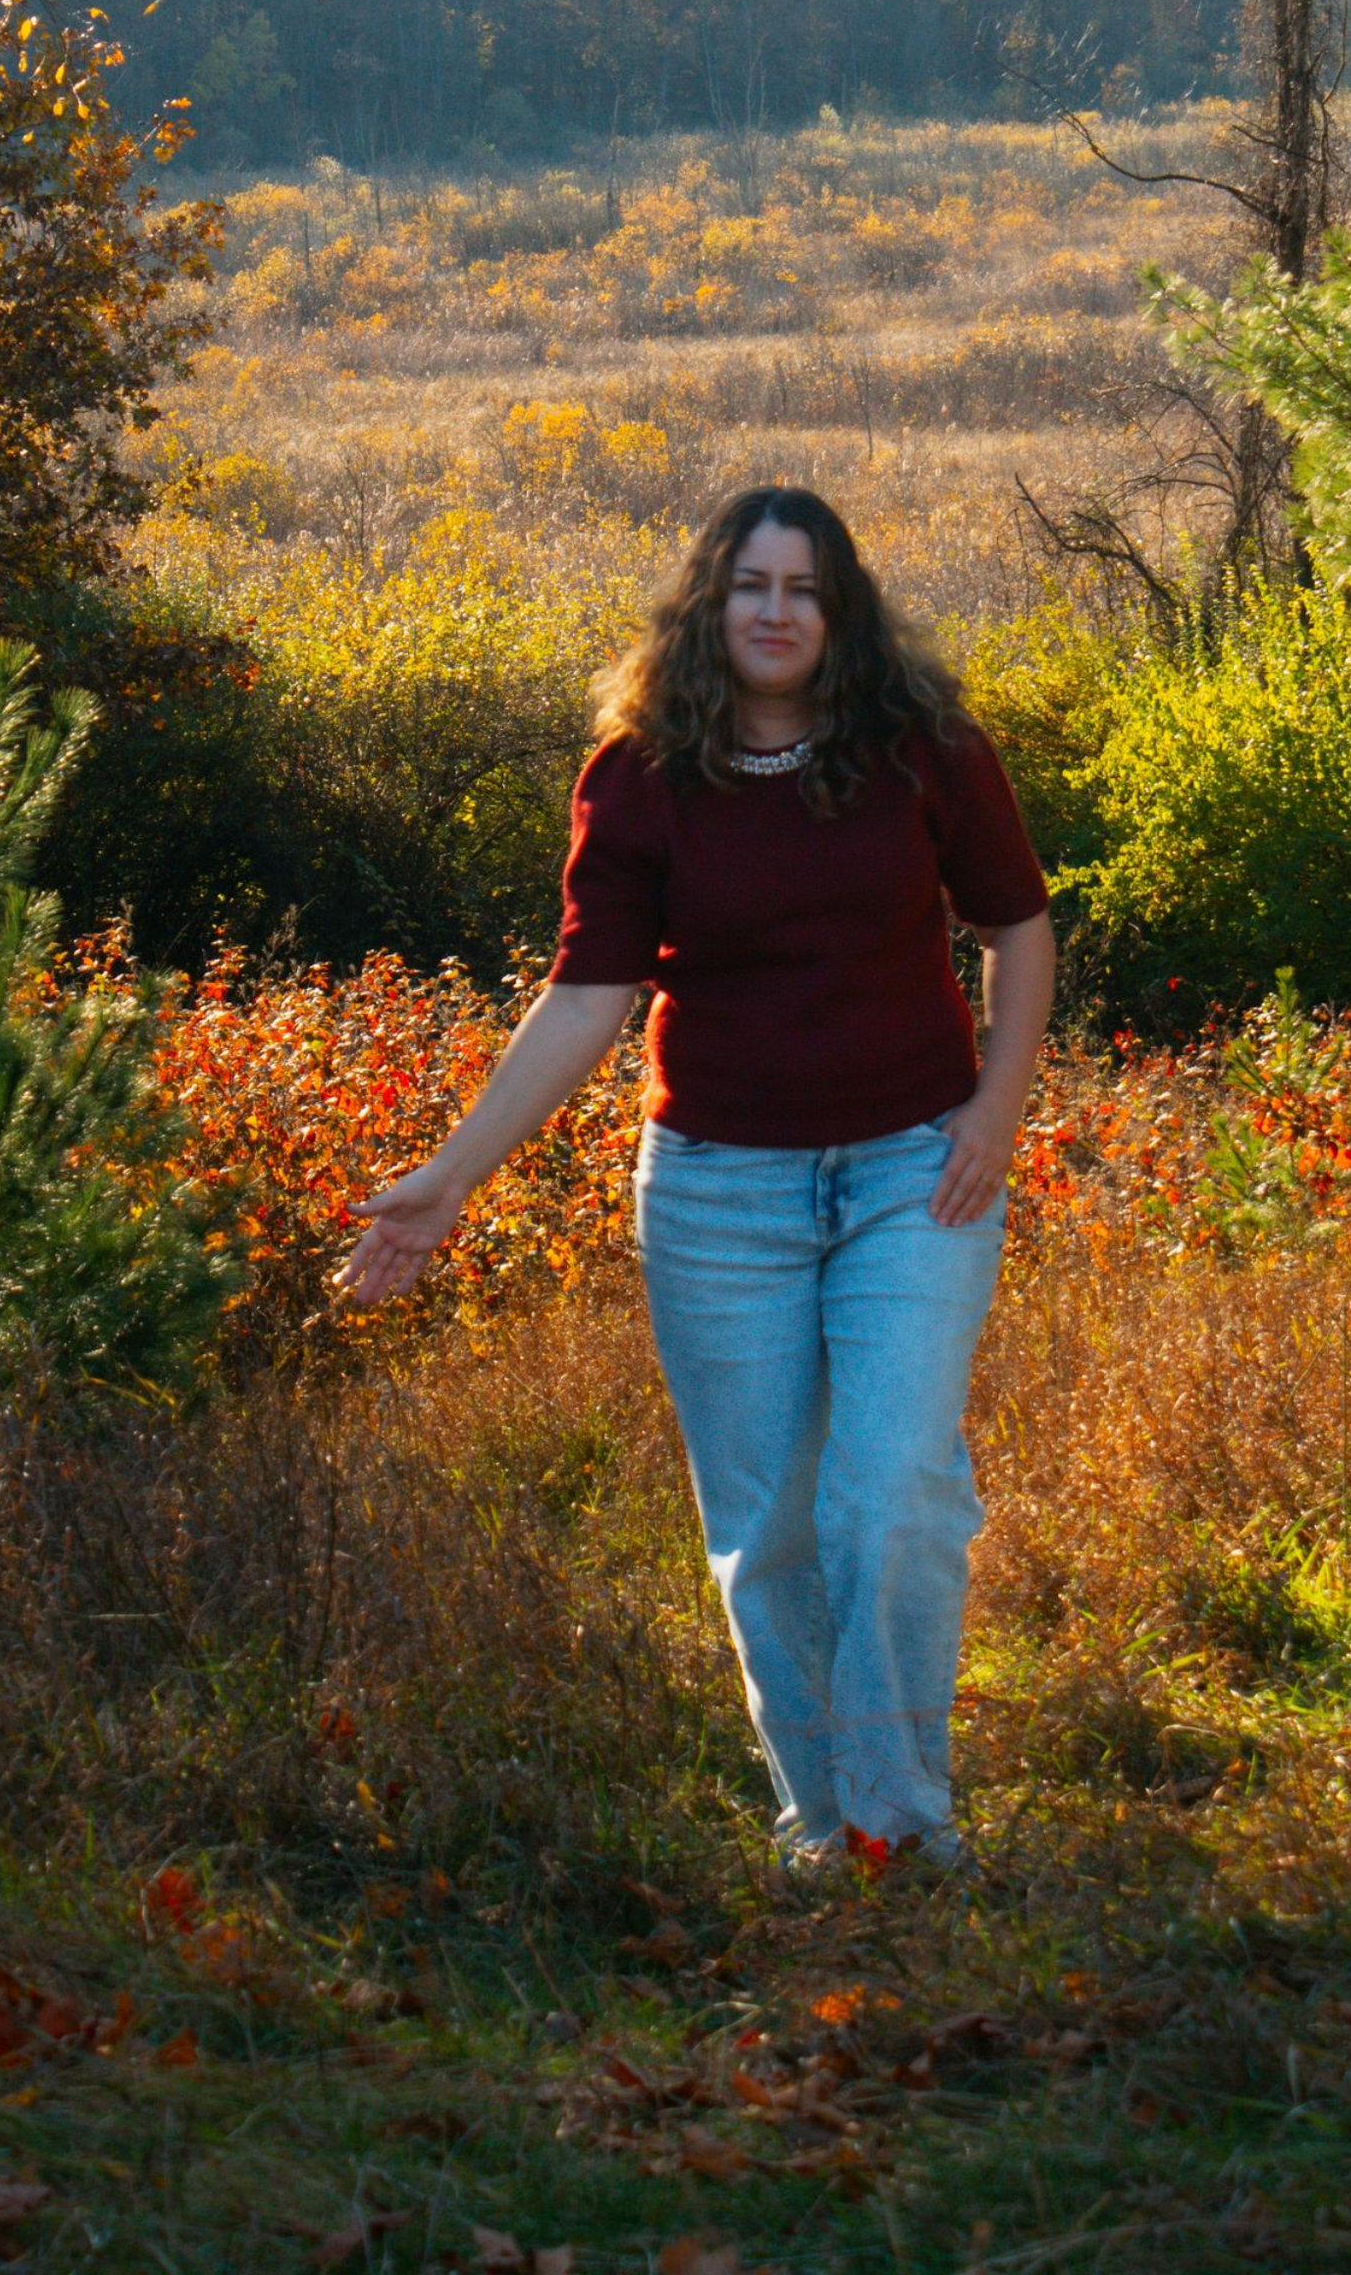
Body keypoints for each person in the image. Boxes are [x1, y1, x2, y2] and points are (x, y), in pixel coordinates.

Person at [334, 485, 1055, 1868]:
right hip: (722, 1193)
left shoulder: (924, 749)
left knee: (892, 1491)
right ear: (709, 606)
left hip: (917, 1171)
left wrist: (994, 1117)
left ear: (840, 614)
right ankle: (825, 1825)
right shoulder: (641, 775)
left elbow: (1018, 931)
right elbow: (584, 1000)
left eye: (805, 589)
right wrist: (447, 1178)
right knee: (771, 1529)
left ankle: (904, 1831)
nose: (777, 611)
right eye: (751, 586)